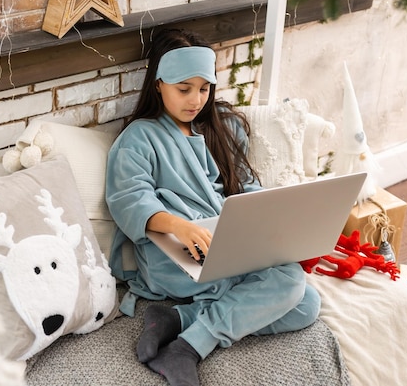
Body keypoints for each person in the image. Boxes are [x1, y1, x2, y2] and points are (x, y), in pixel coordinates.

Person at [105, 28, 321, 386]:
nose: (196, 100)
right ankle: (188, 348)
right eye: (184, 89)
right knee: (289, 280)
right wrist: (179, 226)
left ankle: (178, 321)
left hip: (222, 243)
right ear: (158, 84)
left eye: (204, 88)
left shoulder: (219, 130)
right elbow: (130, 201)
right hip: (173, 253)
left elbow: (242, 188)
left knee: (306, 305)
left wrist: (271, 218)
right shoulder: (138, 138)